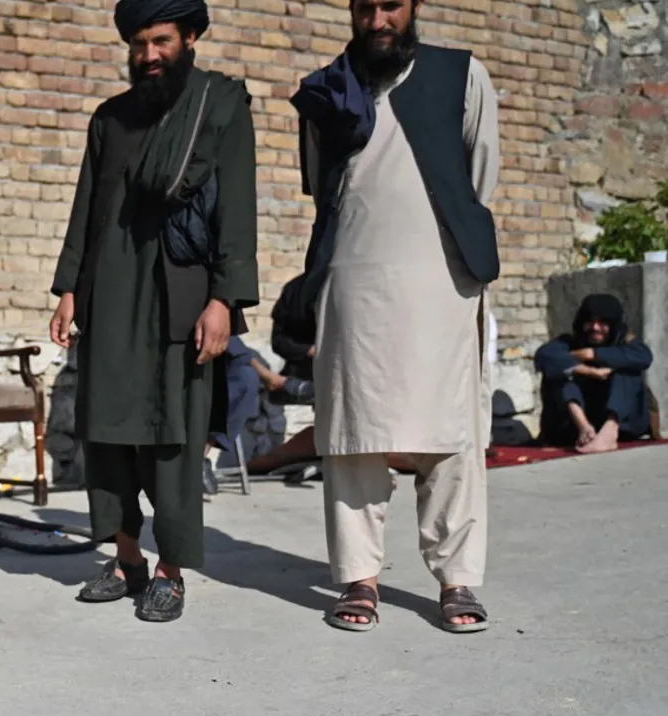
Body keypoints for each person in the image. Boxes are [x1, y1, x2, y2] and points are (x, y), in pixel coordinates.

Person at [291, 0, 500, 632]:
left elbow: (479, 178)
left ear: (414, 8)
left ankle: (457, 579)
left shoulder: (463, 75)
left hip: (444, 277)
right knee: (353, 431)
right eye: (366, 8)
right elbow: (321, 189)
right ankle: (360, 577)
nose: (378, 20)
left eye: (391, 6)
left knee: (452, 431)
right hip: (353, 277)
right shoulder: (325, 90)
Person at [48, 0, 260, 622]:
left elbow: (238, 211)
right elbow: (87, 207)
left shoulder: (220, 108)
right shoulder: (110, 119)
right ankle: (127, 559)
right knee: (107, 431)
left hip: (182, 295)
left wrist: (224, 299)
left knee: (174, 436)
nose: (149, 56)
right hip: (110, 293)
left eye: (161, 41)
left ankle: (170, 570)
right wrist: (69, 289)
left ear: (190, 36)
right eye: (139, 44)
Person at [534, 293, 654, 452]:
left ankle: (609, 431)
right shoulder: (569, 343)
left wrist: (593, 354)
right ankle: (585, 429)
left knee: (627, 370)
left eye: (603, 323)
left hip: (623, 427)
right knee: (558, 371)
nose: (595, 327)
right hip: (571, 428)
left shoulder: (626, 344)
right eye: (590, 321)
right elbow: (544, 356)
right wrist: (588, 371)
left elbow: (644, 357)